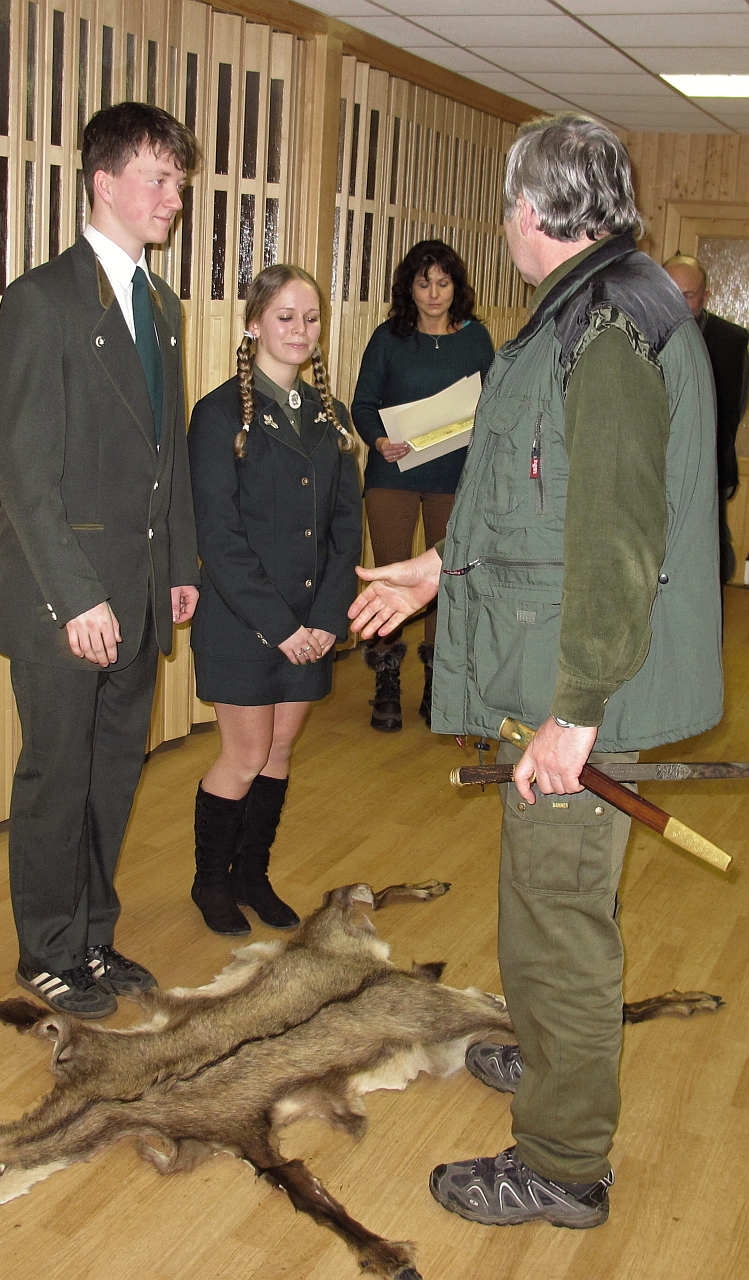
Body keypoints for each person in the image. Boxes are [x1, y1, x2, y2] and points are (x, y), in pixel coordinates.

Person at [350, 114, 722, 1228]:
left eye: (506, 203)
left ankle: (562, 1161)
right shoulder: (591, 307)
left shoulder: (607, 328)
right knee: (542, 903)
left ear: (529, 209)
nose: (503, 222)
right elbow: (537, 499)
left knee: (558, 919)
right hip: (557, 667)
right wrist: (433, 568)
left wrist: (577, 712)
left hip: (578, 683)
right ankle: (556, 1054)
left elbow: (616, 540)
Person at [0, 103, 200, 1019]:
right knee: (57, 778)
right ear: (104, 182)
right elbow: (20, 470)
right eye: (160, 178)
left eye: (178, 181)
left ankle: (92, 936)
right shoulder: (42, 301)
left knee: (112, 773)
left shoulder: (162, 304)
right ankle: (46, 948)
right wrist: (76, 598)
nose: (174, 197)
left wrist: (179, 563)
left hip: (138, 591)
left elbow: (168, 451)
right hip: (62, 598)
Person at [187, 265, 362, 936]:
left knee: (279, 751)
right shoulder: (218, 415)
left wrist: (327, 619)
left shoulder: (330, 416)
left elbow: (346, 527)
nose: (300, 330)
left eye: (310, 318)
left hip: (310, 623)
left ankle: (251, 875)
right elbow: (219, 538)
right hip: (244, 622)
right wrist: (281, 627)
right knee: (244, 755)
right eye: (285, 317)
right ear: (254, 323)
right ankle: (210, 883)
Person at [351, 241, 494, 732]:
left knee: (447, 577)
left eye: (443, 283)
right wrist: (379, 440)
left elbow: (493, 403)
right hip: (393, 473)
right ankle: (386, 681)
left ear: (457, 287)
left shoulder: (476, 339)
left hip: (455, 476)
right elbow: (363, 404)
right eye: (423, 283)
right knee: (390, 574)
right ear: (408, 288)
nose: (434, 293)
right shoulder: (388, 337)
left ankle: (439, 682)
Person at [663, 253, 749, 584]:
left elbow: (735, 407)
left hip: (711, 465)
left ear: (705, 296)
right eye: (670, 292)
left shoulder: (732, 341)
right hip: (657, 469)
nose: (678, 303)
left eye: (688, 295)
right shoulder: (638, 333)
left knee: (711, 563)